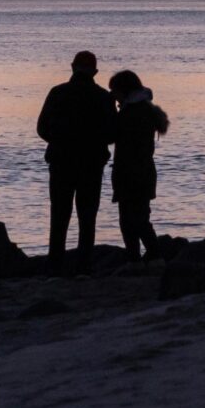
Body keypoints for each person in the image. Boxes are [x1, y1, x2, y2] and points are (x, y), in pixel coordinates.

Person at [37, 50, 119, 272]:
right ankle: (83, 266)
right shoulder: (104, 97)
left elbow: (42, 128)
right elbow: (113, 134)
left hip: (61, 162)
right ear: (95, 71)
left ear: (72, 67)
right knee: (87, 216)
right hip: (91, 165)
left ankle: (55, 264)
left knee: (59, 215)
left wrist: (59, 141)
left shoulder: (57, 93)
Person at [108, 69, 170, 260]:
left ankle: (145, 256)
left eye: (115, 90)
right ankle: (147, 256)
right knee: (138, 219)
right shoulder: (142, 110)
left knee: (132, 221)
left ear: (124, 90)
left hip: (132, 174)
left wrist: (111, 112)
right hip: (142, 173)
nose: (113, 95)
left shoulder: (131, 113)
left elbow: (113, 135)